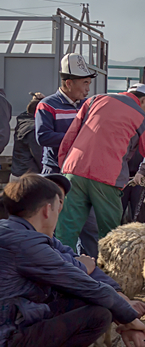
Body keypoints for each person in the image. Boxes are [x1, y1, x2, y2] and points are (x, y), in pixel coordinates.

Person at [0, 174, 145, 347]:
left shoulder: (24, 235)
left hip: (13, 322)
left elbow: (84, 276)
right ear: (48, 210)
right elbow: (83, 283)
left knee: (93, 302)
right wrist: (129, 319)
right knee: (97, 314)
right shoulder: (24, 244)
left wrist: (121, 300)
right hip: (4, 340)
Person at [53, 84, 145, 247]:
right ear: (144, 100)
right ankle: (105, 271)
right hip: (107, 178)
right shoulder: (141, 118)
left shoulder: (94, 100)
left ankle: (64, 270)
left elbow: (69, 137)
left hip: (73, 171)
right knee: (110, 238)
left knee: (65, 232)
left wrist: (64, 170)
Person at [35, 54, 101, 256]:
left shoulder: (88, 106)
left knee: (90, 228)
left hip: (82, 175)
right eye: (85, 83)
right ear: (69, 83)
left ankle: (88, 269)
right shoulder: (47, 105)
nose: (88, 89)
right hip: (56, 174)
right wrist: (77, 137)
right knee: (53, 226)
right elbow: (43, 136)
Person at [12, 92, 46, 179]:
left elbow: (30, 110)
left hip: (18, 172)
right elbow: (40, 156)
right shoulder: (34, 129)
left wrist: (36, 101)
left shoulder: (23, 120)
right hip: (29, 177)